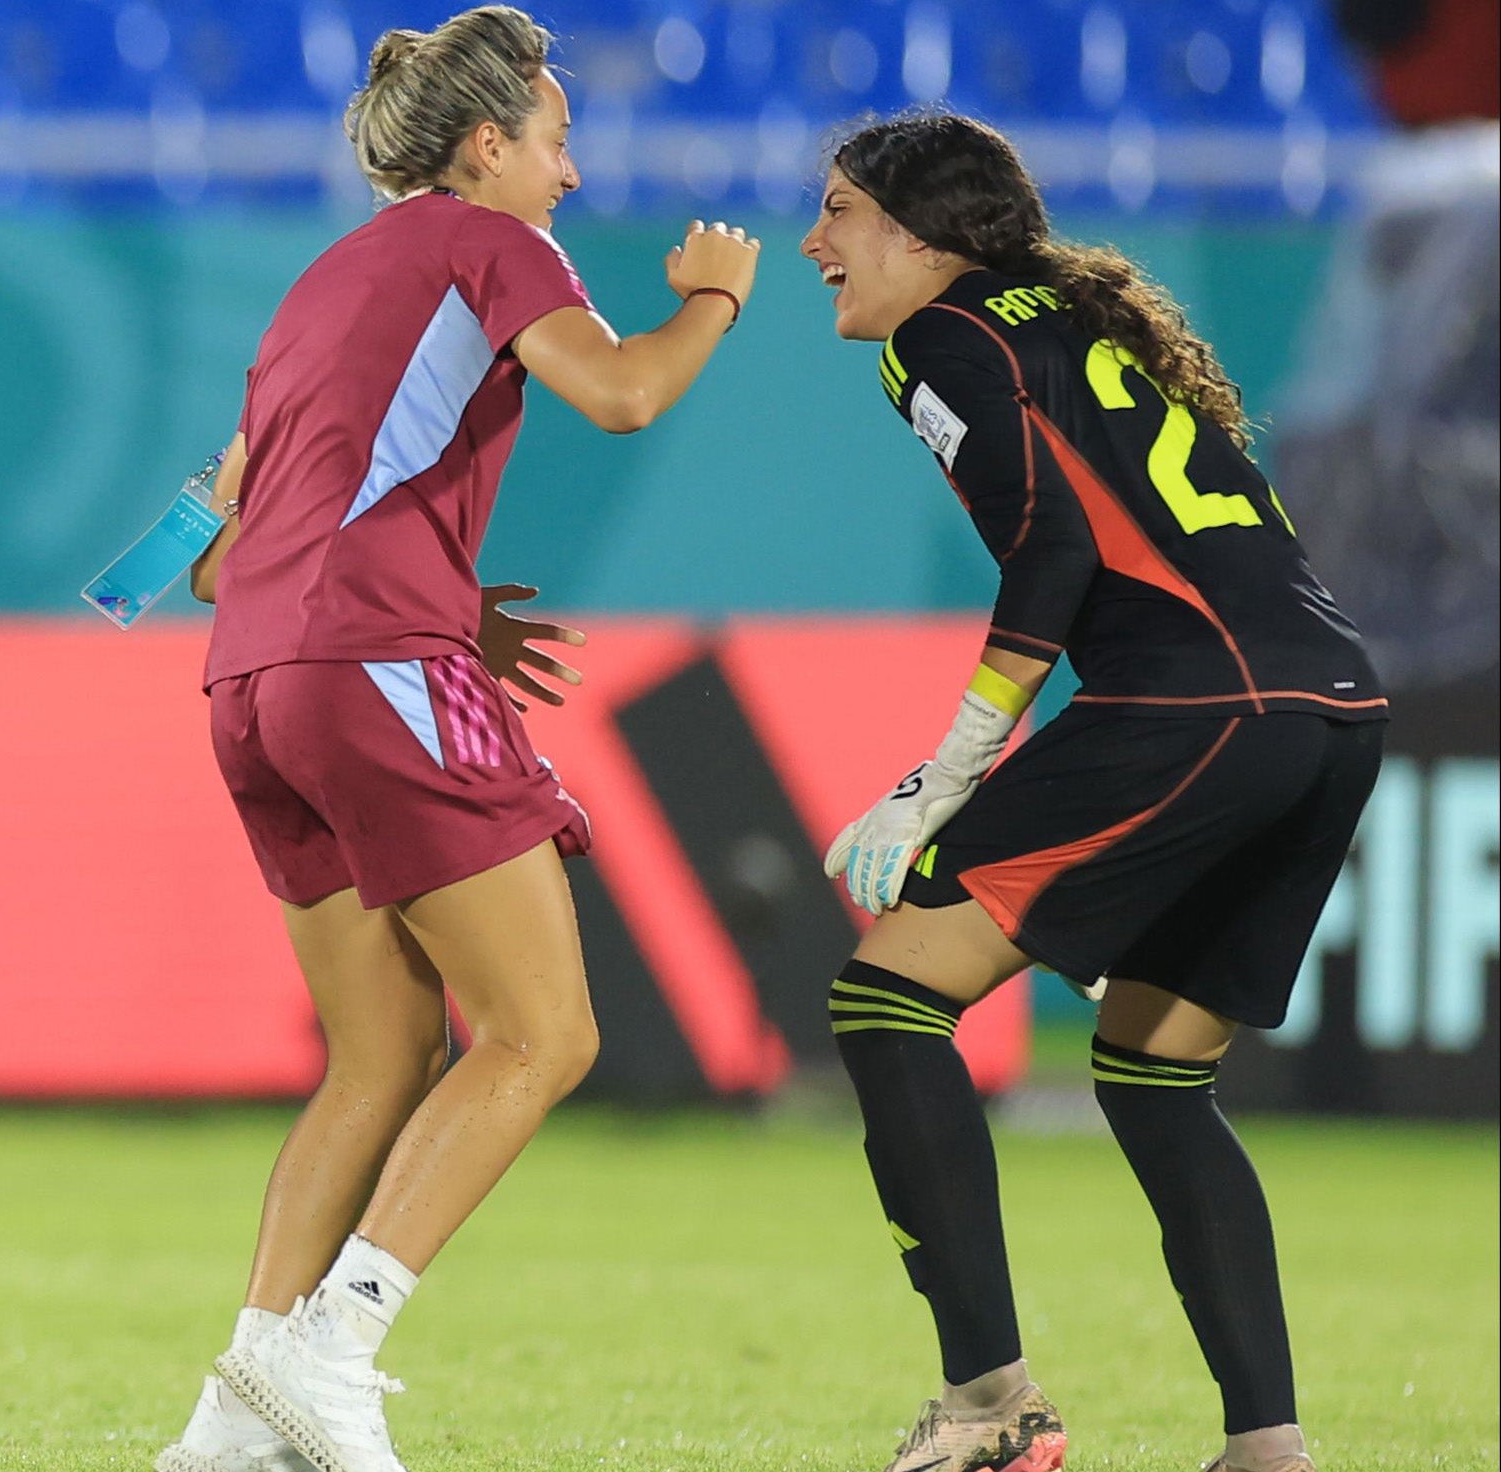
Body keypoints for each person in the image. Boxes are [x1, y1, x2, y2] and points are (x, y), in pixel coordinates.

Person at [153, 9, 761, 1472]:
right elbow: (623, 396)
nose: (570, 171)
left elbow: (225, 564)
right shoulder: (492, 245)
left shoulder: (316, 286)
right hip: (368, 671)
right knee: (546, 1032)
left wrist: (439, 604)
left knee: (375, 1058)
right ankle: (334, 1350)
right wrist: (712, 300)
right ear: (485, 145)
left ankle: (236, 1420)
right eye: (556, 139)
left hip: (255, 687)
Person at [800, 114, 1386, 1472]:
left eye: (837, 213)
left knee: (887, 998)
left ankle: (992, 1409)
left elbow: (1051, 552)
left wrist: (949, 771)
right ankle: (1267, 1448)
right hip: (1332, 704)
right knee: (1156, 1074)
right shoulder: (1074, 315)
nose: (815, 243)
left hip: (1195, 700)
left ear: (921, 234)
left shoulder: (938, 337)